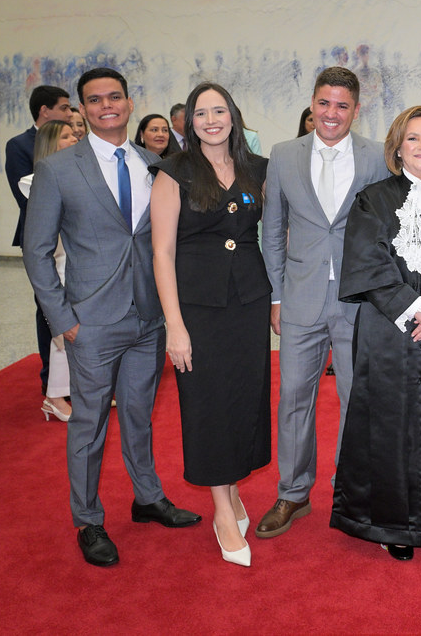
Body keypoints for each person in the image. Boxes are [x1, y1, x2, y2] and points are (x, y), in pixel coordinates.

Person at [23, 67, 201, 568]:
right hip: (92, 321)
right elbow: (36, 252)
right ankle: (88, 519)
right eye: (95, 99)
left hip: (148, 318)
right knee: (90, 423)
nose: (107, 106)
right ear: (82, 109)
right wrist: (63, 319)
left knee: (140, 415)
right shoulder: (59, 169)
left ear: (128, 102)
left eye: (115, 97)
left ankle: (147, 498)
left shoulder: (155, 163)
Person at [330, 105, 421, 561]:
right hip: (389, 327)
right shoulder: (372, 199)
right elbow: (369, 264)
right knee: (390, 424)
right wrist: (417, 310)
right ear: (397, 146)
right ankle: (391, 523)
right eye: (413, 138)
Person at [258, 66, 389, 538]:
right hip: (300, 297)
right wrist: (276, 295)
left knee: (358, 399)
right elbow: (273, 229)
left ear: (356, 109)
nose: (331, 113)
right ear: (312, 104)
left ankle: (352, 490)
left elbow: (388, 228)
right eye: (324, 103)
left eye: (342, 105)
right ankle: (293, 493)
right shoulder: (283, 155)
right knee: (294, 396)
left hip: (360, 301)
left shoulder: (378, 156)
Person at [151, 82, 272, 567]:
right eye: (201, 113)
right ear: (189, 121)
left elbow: (277, 232)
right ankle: (223, 511)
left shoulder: (258, 168)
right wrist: (174, 326)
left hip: (248, 302)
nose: (211, 120)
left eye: (219, 111)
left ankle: (234, 490)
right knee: (208, 404)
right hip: (197, 308)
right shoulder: (173, 172)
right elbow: (161, 252)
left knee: (242, 399)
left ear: (233, 116)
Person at [6, 84, 72, 394]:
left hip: (74, 242)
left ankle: (75, 379)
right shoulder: (19, 145)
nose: (69, 114)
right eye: (64, 107)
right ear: (45, 111)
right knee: (49, 309)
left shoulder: (75, 141)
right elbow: (26, 198)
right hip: (44, 240)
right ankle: (52, 382)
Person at [18, 121, 80, 421]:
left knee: (74, 335)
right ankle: (55, 396)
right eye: (66, 136)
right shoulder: (34, 181)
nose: (74, 138)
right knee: (63, 331)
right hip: (59, 265)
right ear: (49, 144)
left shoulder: (77, 174)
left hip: (78, 261)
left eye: (75, 134)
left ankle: (66, 392)